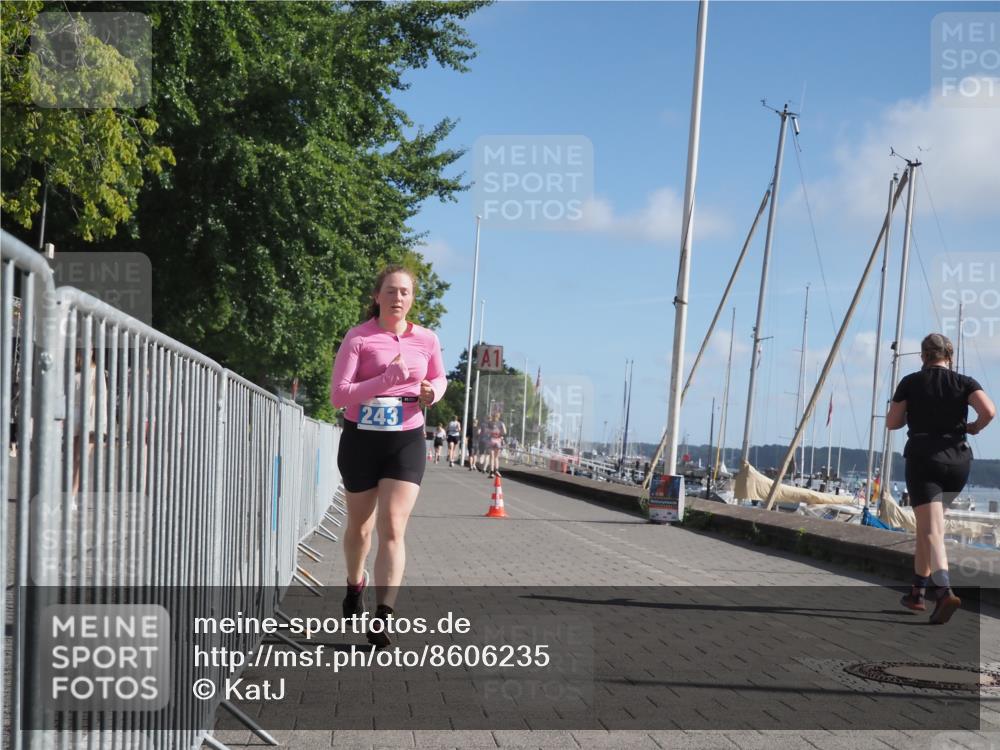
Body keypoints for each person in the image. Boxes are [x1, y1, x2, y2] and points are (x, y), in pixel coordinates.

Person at [330, 265, 446, 647]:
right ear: (377, 296)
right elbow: (339, 395)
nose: (398, 298)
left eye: (406, 292)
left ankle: (382, 616)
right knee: (360, 528)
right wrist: (385, 381)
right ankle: (353, 584)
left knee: (393, 527)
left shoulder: (427, 339)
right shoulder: (359, 338)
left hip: (406, 437)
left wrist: (434, 393)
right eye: (391, 291)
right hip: (361, 438)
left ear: (413, 299)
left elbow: (439, 377)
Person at [887, 333, 995, 624]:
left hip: (924, 458)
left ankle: (944, 591)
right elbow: (989, 411)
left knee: (932, 529)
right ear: (950, 355)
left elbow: (892, 422)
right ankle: (917, 593)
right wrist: (973, 427)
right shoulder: (965, 382)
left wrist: (913, 411)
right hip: (958, 462)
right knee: (928, 527)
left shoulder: (911, 382)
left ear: (923, 356)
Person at [484, 411, 507, 478]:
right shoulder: (501, 423)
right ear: (499, 416)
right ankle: (496, 470)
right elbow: (505, 432)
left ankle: (491, 472)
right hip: (498, 441)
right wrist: (500, 434)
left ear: (492, 416)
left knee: (492, 457)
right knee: (496, 457)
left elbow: (486, 431)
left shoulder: (489, 423)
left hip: (491, 440)